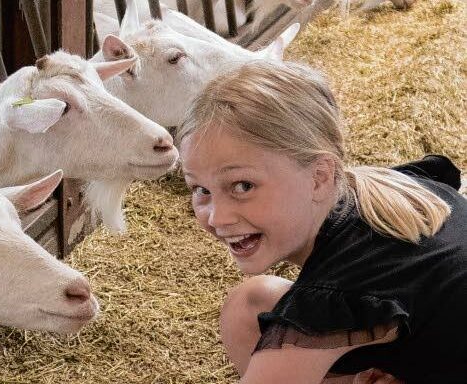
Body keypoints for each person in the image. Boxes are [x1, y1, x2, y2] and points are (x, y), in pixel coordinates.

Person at [176, 60, 466, 384]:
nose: (216, 216)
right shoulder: (384, 188)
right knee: (250, 303)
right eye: (200, 189)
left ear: (319, 177)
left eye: (243, 186)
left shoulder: (340, 290)